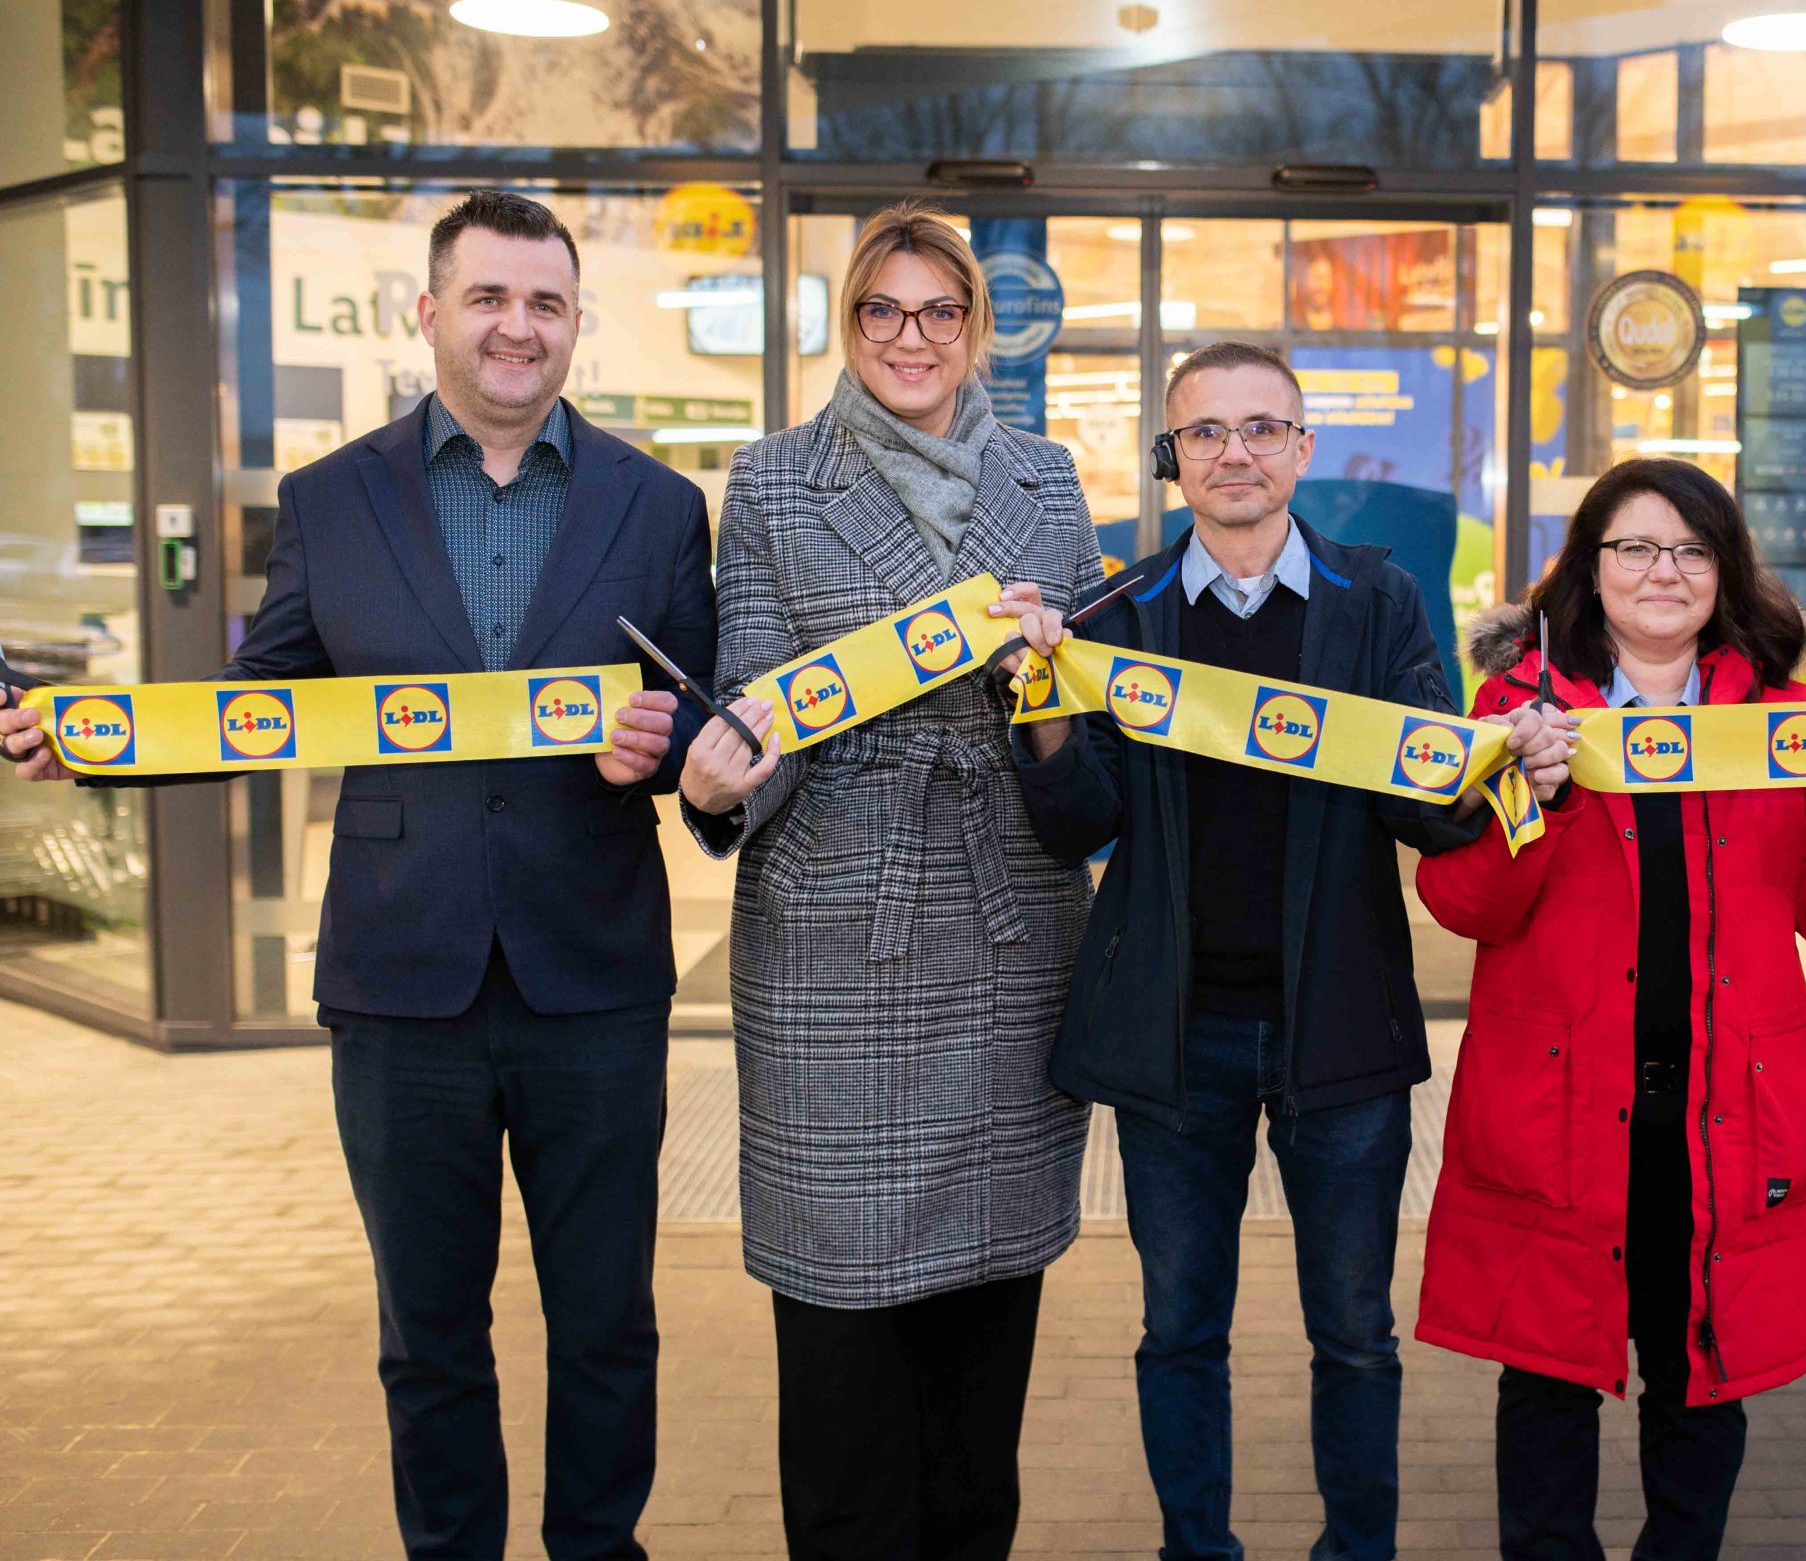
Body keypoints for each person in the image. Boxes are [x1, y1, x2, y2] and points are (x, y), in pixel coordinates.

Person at [4, 188, 714, 1558]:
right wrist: (94, 741)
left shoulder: (658, 504)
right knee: (428, 1335)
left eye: (546, 302)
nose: (518, 326)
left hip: (594, 979)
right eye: (489, 296)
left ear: (578, 322)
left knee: (608, 1323)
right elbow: (261, 702)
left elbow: (704, 712)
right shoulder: (332, 498)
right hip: (401, 984)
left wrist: (667, 746)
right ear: (430, 311)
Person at [995, 340, 1568, 1561]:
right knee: (1178, 1331)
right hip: (1174, 1032)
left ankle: (1356, 1547)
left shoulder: (1376, 599)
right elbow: (1078, 823)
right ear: (1172, 457)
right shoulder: (1117, 612)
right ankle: (1193, 1547)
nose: (1235, 452)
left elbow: (1428, 811)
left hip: (1340, 1024)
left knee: (1354, 1333)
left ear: (1303, 449)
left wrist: (1499, 761)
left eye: (1262, 427)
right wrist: (1039, 711)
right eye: (1205, 431)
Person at [1410, 457, 1806, 1559]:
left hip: (1721, 1111)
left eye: (1692, 549)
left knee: (1702, 1381)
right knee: (1546, 1384)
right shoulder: (1516, 712)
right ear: (1588, 567)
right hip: (1557, 1112)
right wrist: (1539, 800)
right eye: (1635, 547)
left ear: (1726, 570)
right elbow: (1464, 903)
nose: (1664, 570)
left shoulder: (1787, 720)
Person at [672, 202, 1099, 1561]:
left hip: (1008, 935)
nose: (911, 337)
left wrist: (1049, 685)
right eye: (882, 310)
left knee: (980, 1383)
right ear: (849, 322)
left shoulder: (1048, 480)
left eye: (939, 311)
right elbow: (757, 703)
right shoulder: (775, 480)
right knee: (843, 1372)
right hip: (834, 940)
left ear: (977, 328)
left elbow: (1092, 734)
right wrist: (720, 784)